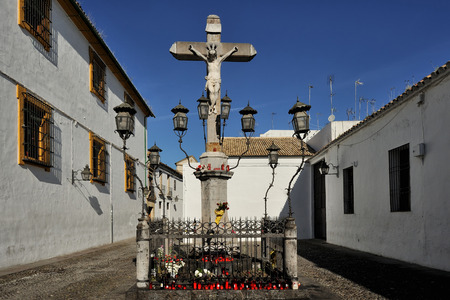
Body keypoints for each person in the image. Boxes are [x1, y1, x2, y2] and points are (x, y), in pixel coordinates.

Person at [189, 43, 238, 113]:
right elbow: (200, 55)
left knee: (216, 92)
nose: (212, 57)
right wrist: (193, 49)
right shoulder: (208, 61)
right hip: (210, 79)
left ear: (215, 55)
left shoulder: (219, 61)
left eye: (213, 55)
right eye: (210, 55)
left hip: (217, 79)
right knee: (211, 92)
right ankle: (212, 106)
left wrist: (233, 50)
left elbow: (226, 55)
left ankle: (212, 106)